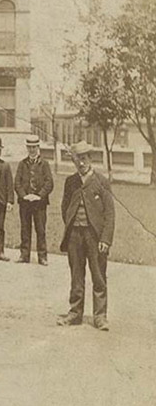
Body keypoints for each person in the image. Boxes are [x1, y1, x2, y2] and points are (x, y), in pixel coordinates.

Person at [56, 141, 113, 331]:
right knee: (76, 275)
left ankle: (100, 316)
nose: (80, 163)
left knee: (98, 275)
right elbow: (65, 208)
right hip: (74, 236)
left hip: (94, 237)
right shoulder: (70, 182)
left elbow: (110, 214)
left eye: (83, 158)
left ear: (90, 158)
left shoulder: (101, 181)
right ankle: (75, 313)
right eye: (77, 159)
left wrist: (105, 239)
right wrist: (72, 226)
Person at [14, 134, 54, 264]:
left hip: (39, 203)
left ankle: (42, 256)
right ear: (27, 148)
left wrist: (39, 195)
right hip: (25, 203)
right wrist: (23, 195)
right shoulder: (22, 164)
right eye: (29, 147)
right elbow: (17, 183)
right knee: (25, 229)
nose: (32, 150)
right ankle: (24, 255)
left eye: (34, 147)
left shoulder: (44, 164)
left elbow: (49, 183)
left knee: (40, 229)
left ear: (38, 147)